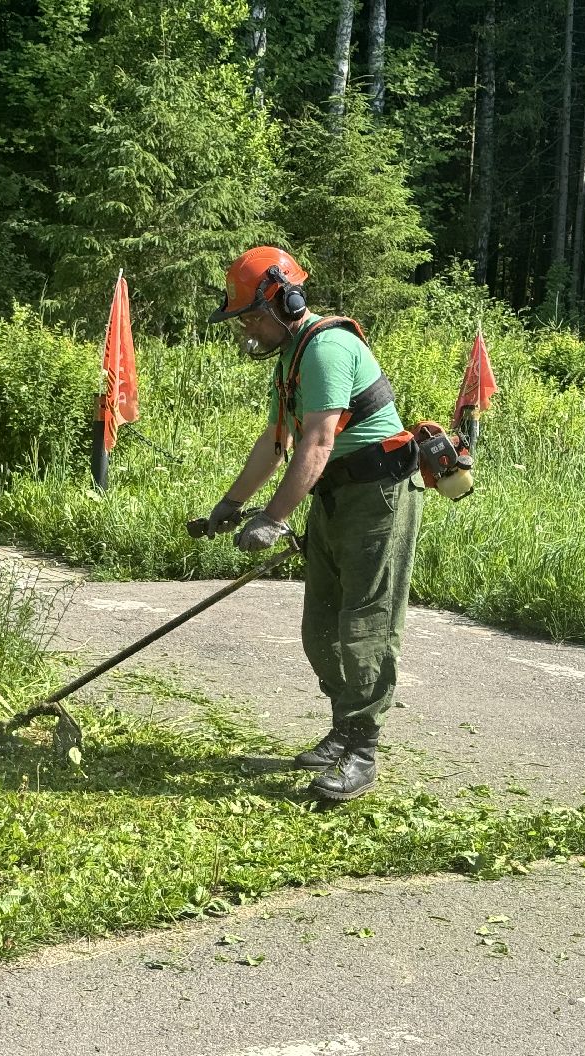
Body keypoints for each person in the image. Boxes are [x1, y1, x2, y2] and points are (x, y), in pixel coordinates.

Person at [201, 246, 423, 803]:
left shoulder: (327, 348)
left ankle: (362, 750)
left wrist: (273, 519)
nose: (245, 328)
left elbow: (318, 443)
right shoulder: (290, 356)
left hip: (376, 498)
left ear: (286, 300)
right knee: (320, 625)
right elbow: (276, 443)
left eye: (250, 315)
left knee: (364, 626)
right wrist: (231, 504)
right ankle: (343, 729)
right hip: (333, 497)